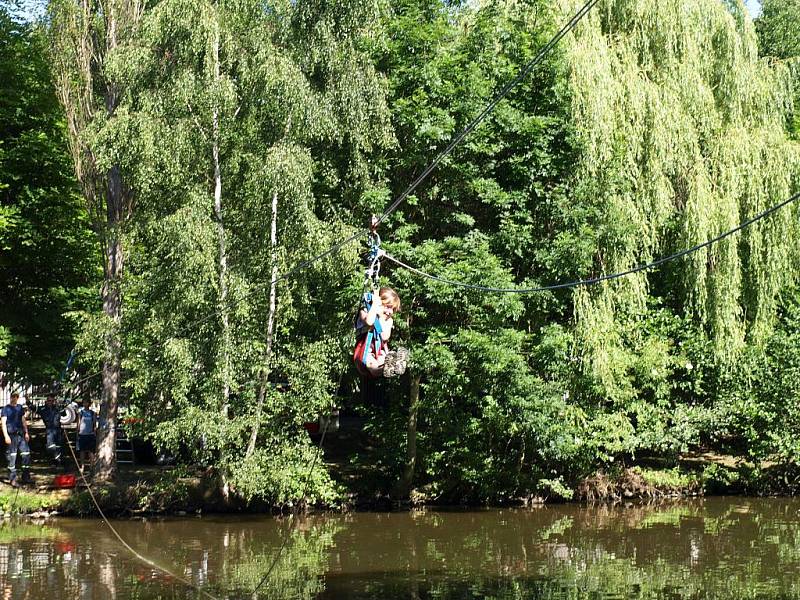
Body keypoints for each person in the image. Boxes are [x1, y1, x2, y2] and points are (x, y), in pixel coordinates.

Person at [353, 287, 408, 378]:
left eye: (393, 310)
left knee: (381, 359)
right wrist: (374, 306)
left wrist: (382, 319)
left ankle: (391, 365)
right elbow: (369, 322)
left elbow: (385, 336)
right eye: (388, 307)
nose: (390, 312)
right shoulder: (365, 311)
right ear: (379, 303)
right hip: (363, 351)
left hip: (378, 349)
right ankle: (384, 368)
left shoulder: (388, 321)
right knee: (372, 364)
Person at [1, 392, 32, 487]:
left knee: (26, 455)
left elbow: (23, 421)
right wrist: (6, 436)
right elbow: (3, 423)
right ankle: (13, 479)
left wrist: (26, 432)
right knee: (12, 457)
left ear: (18, 398)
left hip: (20, 435)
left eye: (16, 397)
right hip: (11, 436)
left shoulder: (19, 408)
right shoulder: (6, 409)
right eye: (12, 396)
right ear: (10, 397)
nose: (14, 398)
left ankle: (26, 477)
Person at [39, 394, 63, 467]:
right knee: (50, 446)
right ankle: (54, 459)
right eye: (49, 401)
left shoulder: (57, 408)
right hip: (49, 430)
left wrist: (60, 406)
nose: (51, 402)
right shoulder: (42, 409)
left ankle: (58, 462)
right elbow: (33, 408)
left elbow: (64, 414)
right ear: (46, 401)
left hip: (58, 430)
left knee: (58, 446)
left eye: (52, 401)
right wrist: (27, 401)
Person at [77, 397, 97, 472]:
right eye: (84, 402)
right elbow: (78, 423)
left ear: (89, 404)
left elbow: (94, 424)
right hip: (82, 434)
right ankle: (82, 466)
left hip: (90, 434)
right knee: (82, 451)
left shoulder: (93, 413)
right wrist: (77, 432)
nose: (85, 404)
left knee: (91, 451)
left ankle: (92, 466)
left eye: (87, 402)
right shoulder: (81, 412)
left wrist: (94, 432)